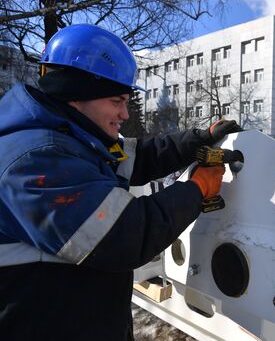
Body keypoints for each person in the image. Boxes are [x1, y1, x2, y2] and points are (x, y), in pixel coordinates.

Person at [0, 24, 241, 340]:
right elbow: (125, 235)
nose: (125, 114)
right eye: (117, 101)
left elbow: (141, 157)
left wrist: (198, 140)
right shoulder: (35, 160)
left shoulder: (76, 140)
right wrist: (197, 190)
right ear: (76, 93)